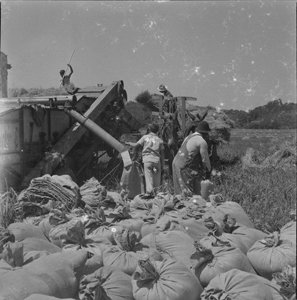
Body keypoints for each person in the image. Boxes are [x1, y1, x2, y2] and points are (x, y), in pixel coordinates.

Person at [172, 120, 212, 199]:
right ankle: (188, 209)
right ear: (206, 133)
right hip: (184, 166)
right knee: (187, 192)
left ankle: (178, 206)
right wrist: (208, 171)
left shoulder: (189, 136)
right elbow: (205, 160)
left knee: (179, 190)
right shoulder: (202, 141)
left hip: (176, 163)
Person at [126, 123, 165, 196]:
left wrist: (128, 143)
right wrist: (163, 165)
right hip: (156, 161)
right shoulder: (160, 140)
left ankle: (149, 194)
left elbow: (136, 145)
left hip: (147, 161)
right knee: (156, 179)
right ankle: (157, 194)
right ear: (157, 130)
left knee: (148, 178)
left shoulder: (145, 137)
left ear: (149, 129)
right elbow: (162, 154)